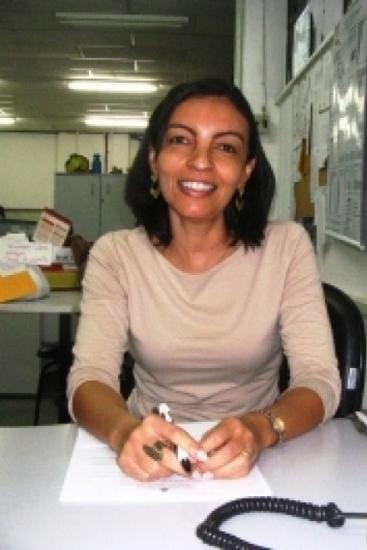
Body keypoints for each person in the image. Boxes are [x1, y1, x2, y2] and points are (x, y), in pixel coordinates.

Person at [67, 78, 340, 482]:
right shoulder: (115, 255)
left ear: (246, 171)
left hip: (259, 458)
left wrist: (260, 428)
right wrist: (125, 432)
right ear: (154, 158)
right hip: (148, 455)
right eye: (181, 140)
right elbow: (89, 376)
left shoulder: (287, 247)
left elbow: (319, 378)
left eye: (225, 147)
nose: (201, 161)